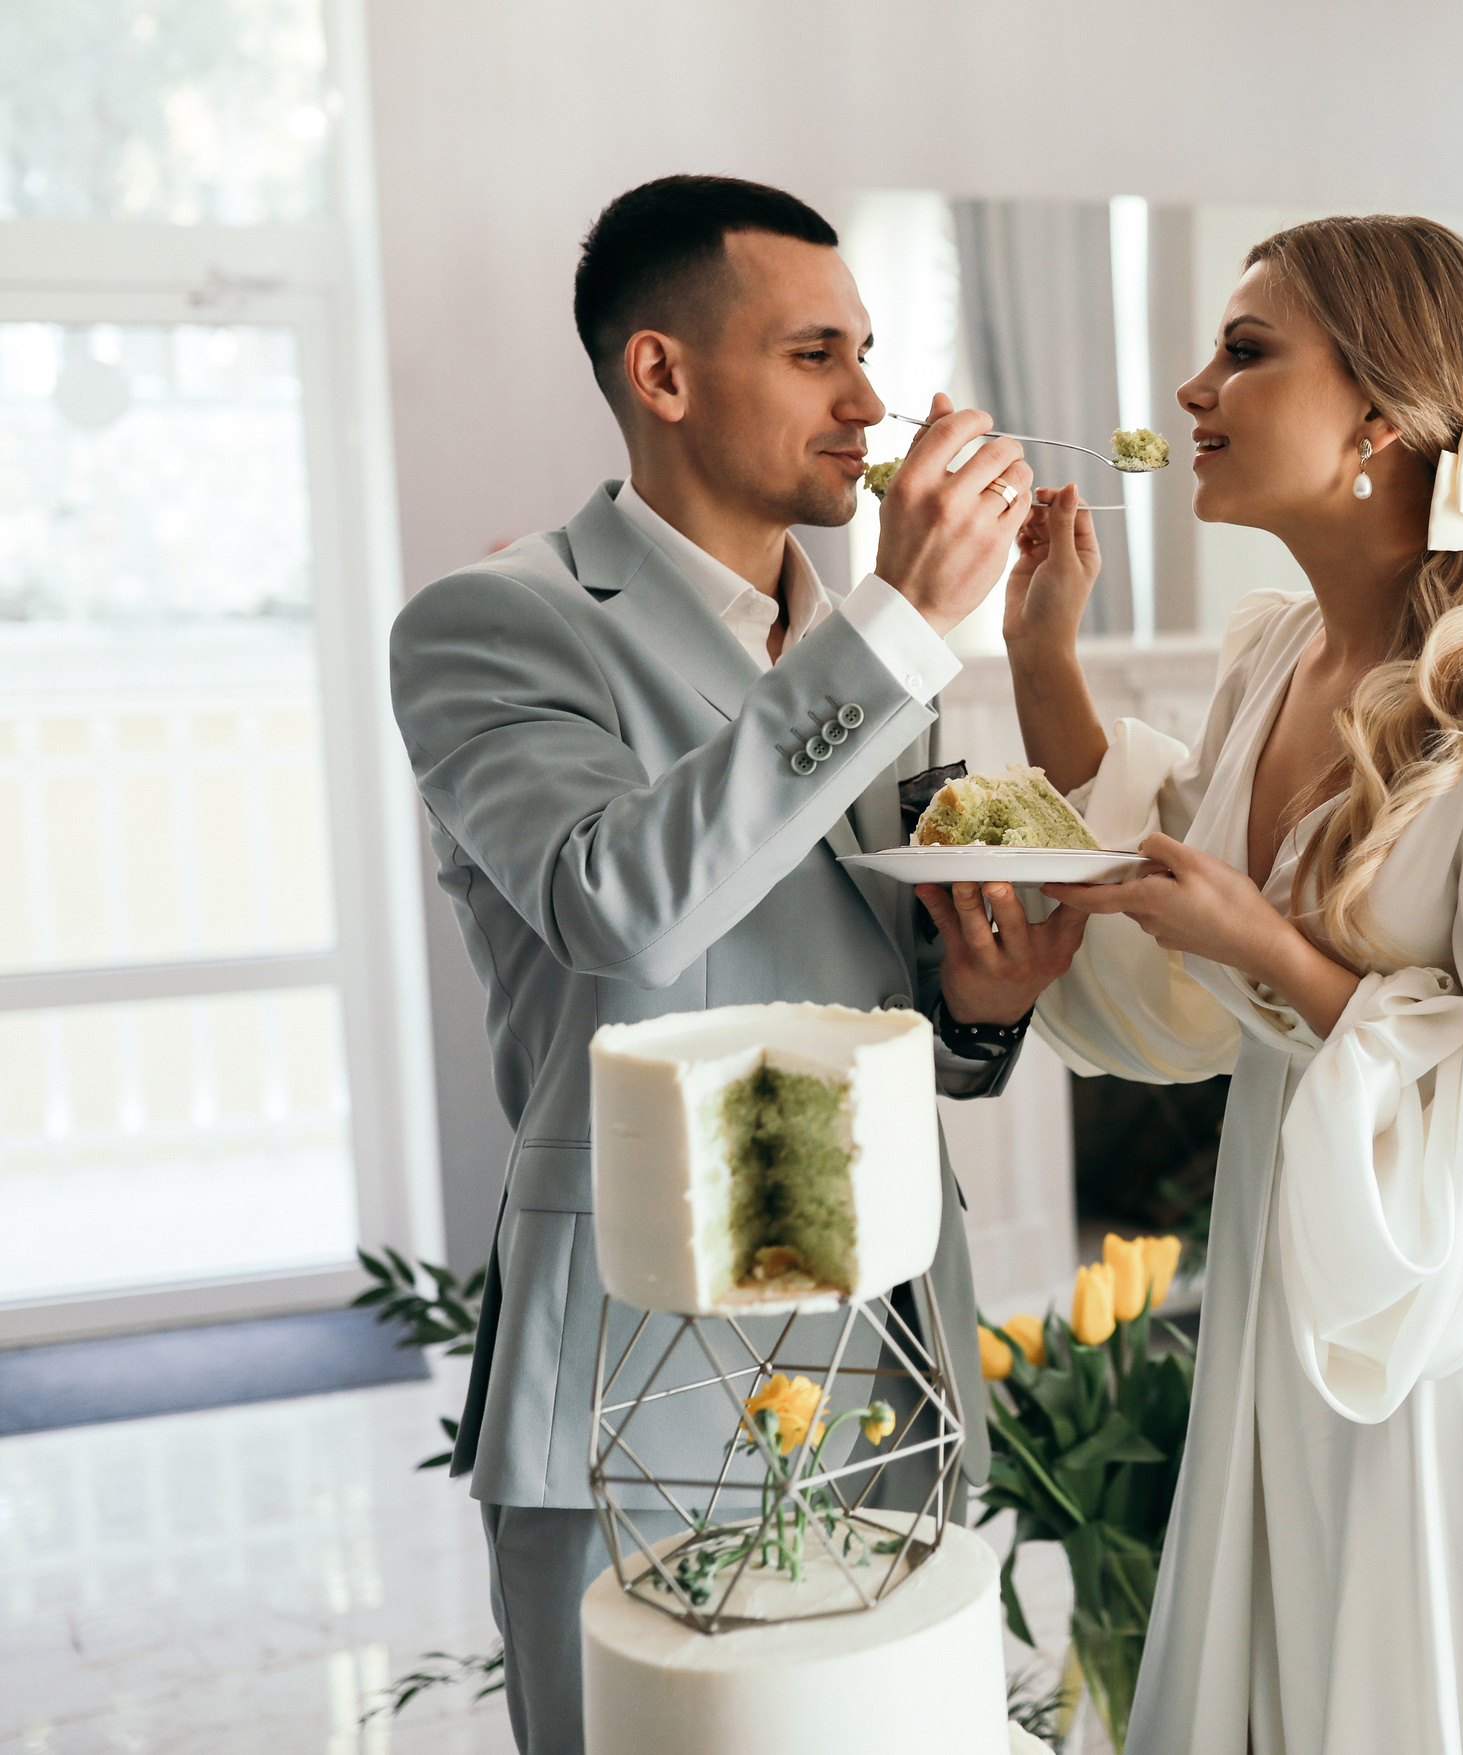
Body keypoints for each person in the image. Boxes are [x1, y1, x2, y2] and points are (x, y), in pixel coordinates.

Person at [387, 174, 1086, 1755]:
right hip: (645, 1392)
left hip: (886, 1373)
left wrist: (975, 1012)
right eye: (818, 354)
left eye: (871, 354)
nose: (870, 405)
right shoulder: (494, 623)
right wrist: (904, 621)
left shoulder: (856, 645)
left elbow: (873, 981)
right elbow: (616, 905)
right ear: (664, 373)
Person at [1006, 215, 1463, 1754]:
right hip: (1283, 1299)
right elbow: (1180, 951)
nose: (1192, 388)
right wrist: (1044, 654)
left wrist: (1271, 952)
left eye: (1246, 352)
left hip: (1441, 1344)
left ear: (1379, 417)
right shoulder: (1273, 658)